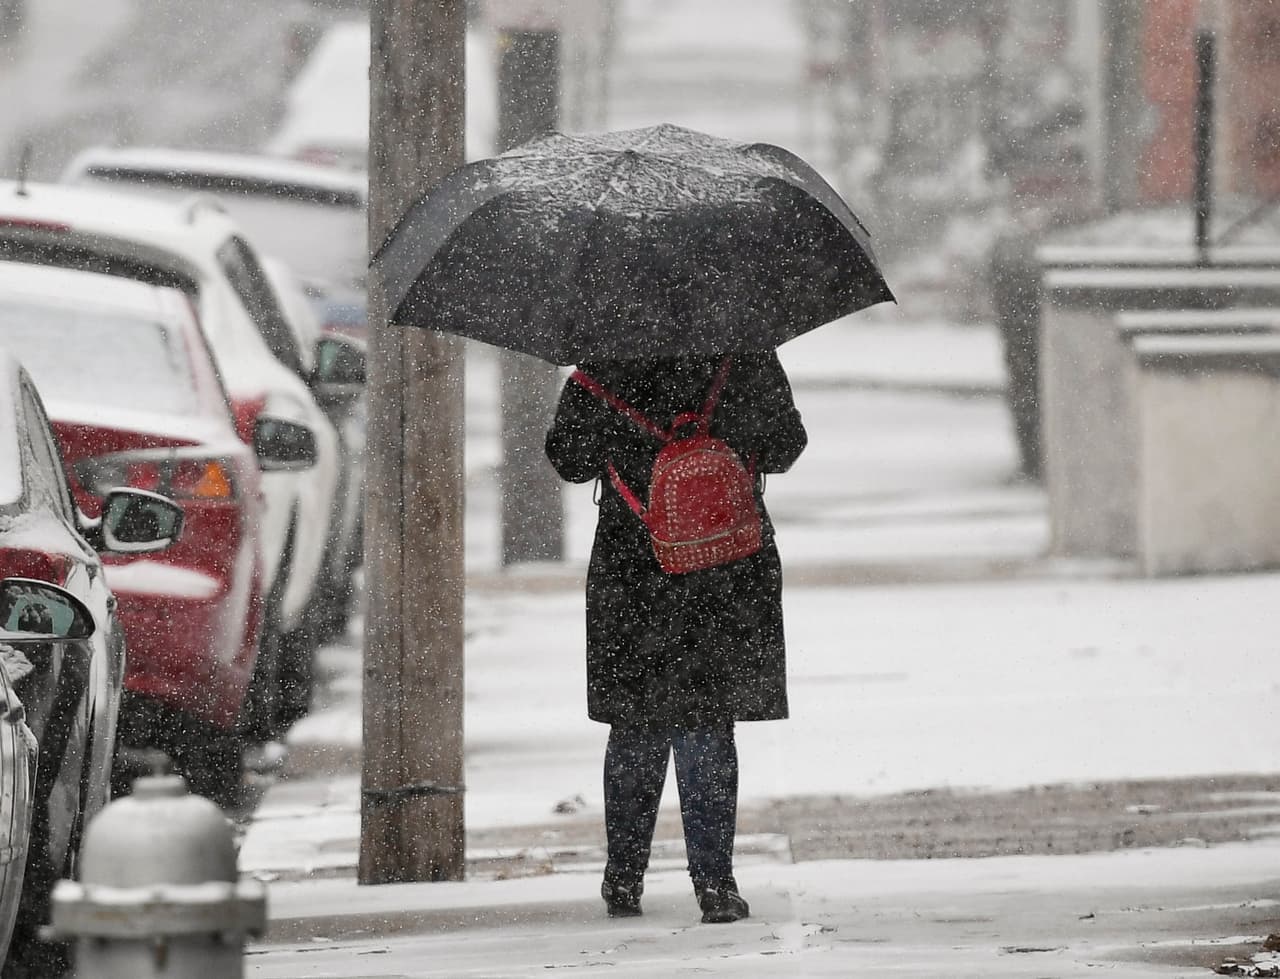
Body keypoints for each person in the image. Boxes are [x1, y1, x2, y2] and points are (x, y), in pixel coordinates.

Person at [545, 350, 807, 924]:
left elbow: (569, 460)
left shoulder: (604, 364)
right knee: (707, 720)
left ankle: (623, 878)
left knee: (635, 722)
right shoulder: (745, 354)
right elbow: (787, 447)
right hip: (726, 562)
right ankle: (715, 885)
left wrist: (631, 439)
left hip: (631, 563)